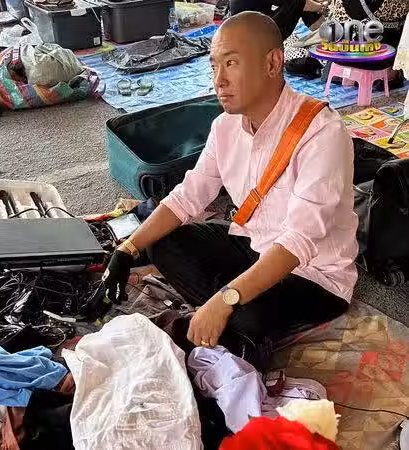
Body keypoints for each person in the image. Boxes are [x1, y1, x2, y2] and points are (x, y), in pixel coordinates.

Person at [106, 12, 358, 350]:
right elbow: (187, 197)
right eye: (214, 66)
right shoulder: (225, 127)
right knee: (163, 242)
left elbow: (299, 241)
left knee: (245, 317)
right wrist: (126, 250)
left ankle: (228, 313)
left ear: (272, 63)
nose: (219, 80)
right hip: (256, 246)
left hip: (314, 274)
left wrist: (226, 299)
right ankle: (226, 313)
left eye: (232, 63)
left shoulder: (322, 133)